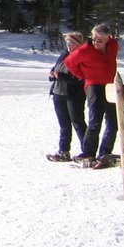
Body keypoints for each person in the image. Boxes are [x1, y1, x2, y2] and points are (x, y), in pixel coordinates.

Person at [64, 24, 119, 169]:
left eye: (100, 40)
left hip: (110, 86)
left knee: (113, 121)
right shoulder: (85, 50)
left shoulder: (113, 45)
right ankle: (88, 152)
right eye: (94, 39)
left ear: (108, 38)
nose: (96, 42)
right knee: (95, 120)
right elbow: (69, 63)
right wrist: (84, 77)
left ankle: (105, 152)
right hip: (93, 85)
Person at [46, 32, 87, 162]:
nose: (69, 46)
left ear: (78, 44)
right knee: (64, 125)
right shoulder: (64, 55)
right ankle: (63, 151)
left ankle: (87, 151)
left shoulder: (82, 57)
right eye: (67, 43)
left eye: (72, 43)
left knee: (78, 123)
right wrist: (52, 75)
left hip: (74, 95)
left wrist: (62, 77)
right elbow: (55, 70)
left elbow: (81, 79)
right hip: (58, 94)